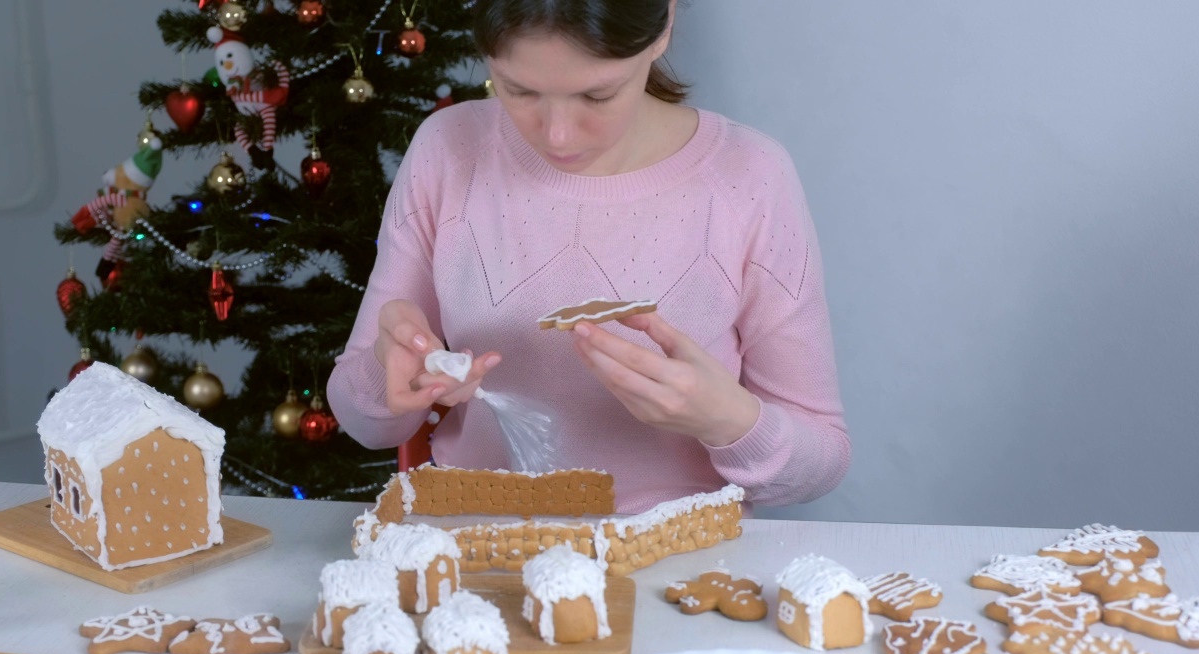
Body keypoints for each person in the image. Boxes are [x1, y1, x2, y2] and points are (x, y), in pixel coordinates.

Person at [327, 0, 850, 514]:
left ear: (662, 26)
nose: (557, 135)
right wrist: (388, 371)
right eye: (520, 90)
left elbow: (822, 462)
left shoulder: (750, 176)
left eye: (598, 95)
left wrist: (727, 421)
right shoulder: (449, 149)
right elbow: (365, 424)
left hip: (675, 566)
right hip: (481, 548)